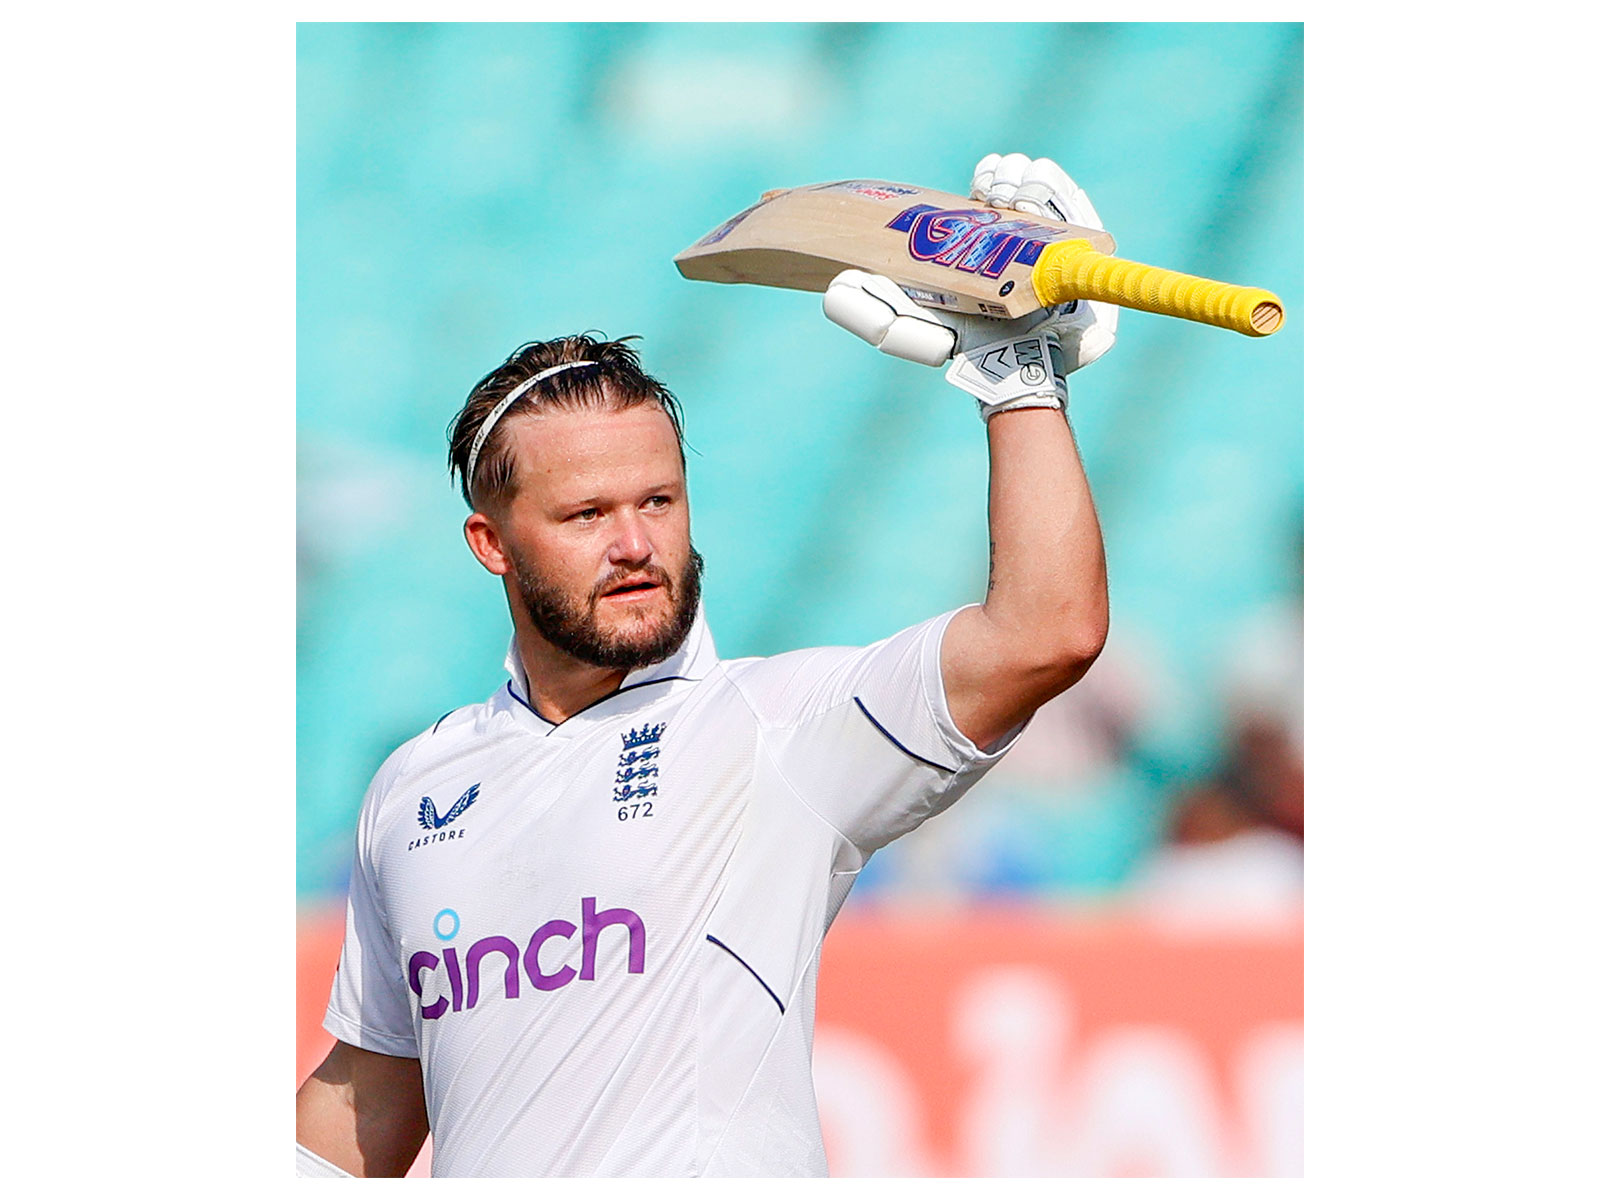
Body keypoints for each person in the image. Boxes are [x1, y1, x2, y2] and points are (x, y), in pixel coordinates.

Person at [295, 152, 1117, 1177]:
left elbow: (1048, 632)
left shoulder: (777, 728)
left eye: (658, 501)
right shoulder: (414, 789)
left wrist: (1018, 383)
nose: (635, 543)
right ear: (491, 544)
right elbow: (367, 1103)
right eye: (586, 515)